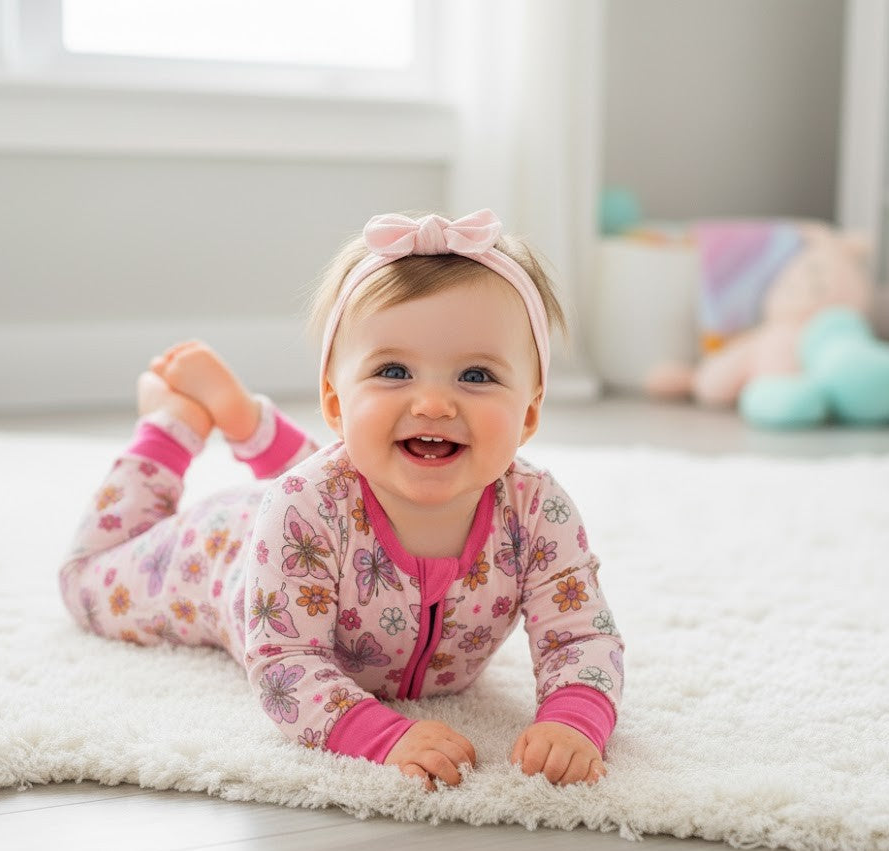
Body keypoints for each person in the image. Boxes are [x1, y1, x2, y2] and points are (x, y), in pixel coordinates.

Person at [59, 209, 624, 790]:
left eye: (477, 376)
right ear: (334, 403)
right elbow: (285, 665)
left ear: (529, 413)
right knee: (85, 581)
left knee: (366, 465)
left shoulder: (536, 511)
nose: (433, 403)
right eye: (394, 370)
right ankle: (170, 421)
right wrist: (382, 735)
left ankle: (250, 423)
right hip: (228, 545)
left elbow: (582, 636)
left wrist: (575, 721)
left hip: (328, 509)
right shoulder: (302, 506)